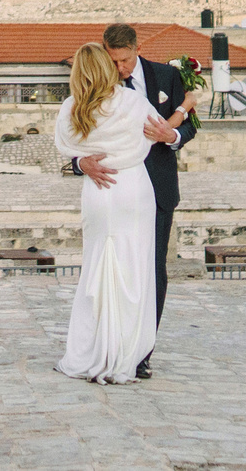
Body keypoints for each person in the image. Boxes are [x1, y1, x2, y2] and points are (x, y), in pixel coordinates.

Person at [65, 21, 196, 378]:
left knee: (151, 270)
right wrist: (80, 164)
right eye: (113, 61)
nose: (119, 69)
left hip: (156, 188)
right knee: (113, 268)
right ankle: (113, 346)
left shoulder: (166, 76)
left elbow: (191, 128)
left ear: (137, 49)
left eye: (124, 60)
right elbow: (75, 147)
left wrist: (172, 134)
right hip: (113, 188)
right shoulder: (98, 86)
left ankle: (141, 350)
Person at [50, 42, 157, 382]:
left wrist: (83, 162)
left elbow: (65, 147)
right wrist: (184, 108)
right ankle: (125, 354)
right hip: (133, 190)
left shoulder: (72, 107)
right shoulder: (133, 101)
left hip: (97, 191)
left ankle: (89, 351)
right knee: (134, 273)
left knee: (95, 270)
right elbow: (156, 133)